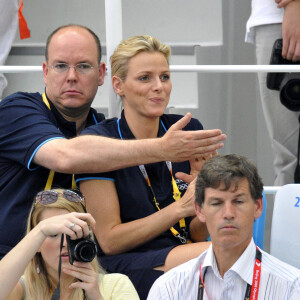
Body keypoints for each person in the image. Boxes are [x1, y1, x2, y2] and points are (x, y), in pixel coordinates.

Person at [0, 24, 226, 259]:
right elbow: (65, 157)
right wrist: (163, 148)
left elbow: (197, 231)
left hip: (70, 264)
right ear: (45, 72)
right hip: (11, 257)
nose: (72, 77)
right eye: (60, 66)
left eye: (84, 66)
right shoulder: (18, 109)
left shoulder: (104, 133)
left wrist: (205, 198)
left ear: (101, 74)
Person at [76, 35, 213, 300]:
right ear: (118, 85)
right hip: (124, 262)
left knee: (224, 257)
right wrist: (180, 208)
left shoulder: (188, 130)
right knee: (224, 256)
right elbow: (110, 241)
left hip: (186, 251)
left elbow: (197, 234)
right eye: (144, 78)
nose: (158, 87)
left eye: (164, 77)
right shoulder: (99, 142)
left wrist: (203, 203)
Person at [148, 154, 300, 300]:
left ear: (258, 206)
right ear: (200, 210)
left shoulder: (292, 287)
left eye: (238, 201)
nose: (228, 214)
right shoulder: (168, 288)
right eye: (216, 203)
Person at [0, 188, 140, 300]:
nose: (65, 243)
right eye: (53, 234)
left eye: (73, 232)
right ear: (36, 243)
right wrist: (41, 229)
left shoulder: (115, 285)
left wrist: (96, 298)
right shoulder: (21, 289)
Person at [245, 0, 300, 185]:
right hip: (280, 18)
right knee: (289, 158)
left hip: (284, 18)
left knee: (288, 158)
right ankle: (291, 213)